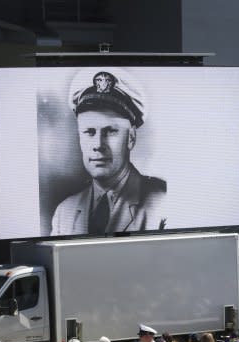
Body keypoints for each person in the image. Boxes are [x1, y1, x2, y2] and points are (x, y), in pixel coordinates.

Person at [51, 69, 166, 236]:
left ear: (131, 138)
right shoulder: (64, 212)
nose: (98, 145)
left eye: (111, 131)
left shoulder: (163, 205)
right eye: (89, 132)